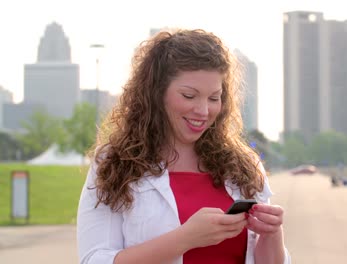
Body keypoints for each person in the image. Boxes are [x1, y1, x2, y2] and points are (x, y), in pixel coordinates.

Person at [77, 29, 291, 264]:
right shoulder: (113, 163)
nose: (203, 111)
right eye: (189, 96)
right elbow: (94, 259)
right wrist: (185, 238)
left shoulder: (245, 165)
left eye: (213, 98)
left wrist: (272, 235)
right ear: (156, 93)